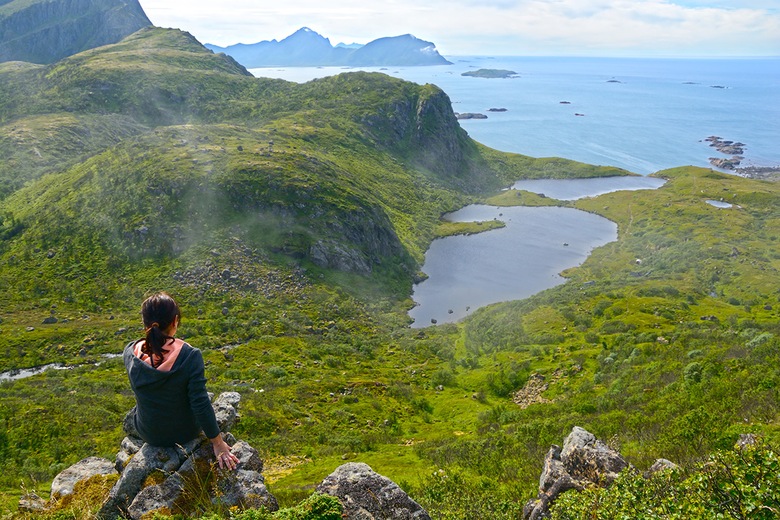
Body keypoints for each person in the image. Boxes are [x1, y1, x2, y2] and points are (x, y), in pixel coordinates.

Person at [123, 292, 239, 470]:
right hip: (184, 433)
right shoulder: (189, 356)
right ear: (175, 321)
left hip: (148, 433)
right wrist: (218, 443)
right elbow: (200, 403)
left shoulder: (130, 352)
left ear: (144, 322)